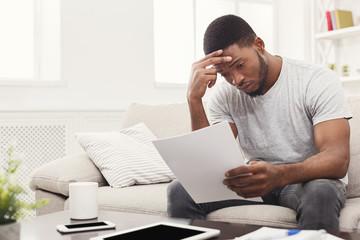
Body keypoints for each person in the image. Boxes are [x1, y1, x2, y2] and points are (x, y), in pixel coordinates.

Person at [167, 14, 352, 232]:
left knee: (322, 191)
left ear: (259, 44)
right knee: (180, 190)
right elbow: (206, 166)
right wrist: (194, 99)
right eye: (225, 74)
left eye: (240, 65)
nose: (237, 80)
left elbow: (337, 160)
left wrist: (278, 174)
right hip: (257, 182)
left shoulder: (316, 80)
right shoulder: (225, 95)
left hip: (307, 181)